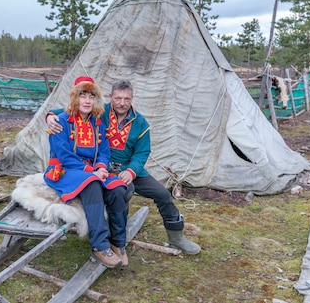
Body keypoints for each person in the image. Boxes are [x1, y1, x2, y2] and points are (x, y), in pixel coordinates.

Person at [47, 79, 201, 255]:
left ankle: (176, 237)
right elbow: (71, 110)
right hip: (104, 167)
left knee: (163, 194)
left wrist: (131, 170)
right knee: (123, 192)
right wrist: (50, 115)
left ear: (132, 98)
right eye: (118, 98)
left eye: (126, 99)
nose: (122, 103)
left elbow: (143, 152)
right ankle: (115, 237)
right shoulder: (100, 111)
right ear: (111, 97)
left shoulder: (141, 123)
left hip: (130, 168)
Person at [44, 76, 130, 268]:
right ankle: (100, 245)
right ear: (75, 98)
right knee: (91, 182)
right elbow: (64, 155)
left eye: (91, 96)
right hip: (65, 170)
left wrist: (100, 167)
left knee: (117, 190)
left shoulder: (97, 124)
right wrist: (91, 170)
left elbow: (104, 151)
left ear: (96, 100)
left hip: (91, 171)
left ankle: (117, 242)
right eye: (82, 95)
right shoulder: (61, 121)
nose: (87, 100)